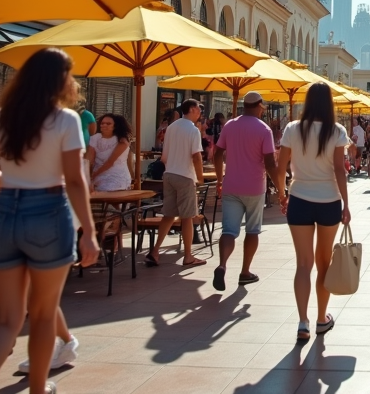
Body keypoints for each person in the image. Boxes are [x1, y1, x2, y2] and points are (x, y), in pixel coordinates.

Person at [0, 48, 98, 394]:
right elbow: (74, 180)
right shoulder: (66, 120)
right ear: (60, 80)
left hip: (7, 212)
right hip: (49, 212)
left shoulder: (5, 117)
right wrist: (89, 231)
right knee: (42, 314)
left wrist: (10, 184)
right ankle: (38, 389)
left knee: (6, 319)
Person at [276, 82, 351, 341]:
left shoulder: (293, 129)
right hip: (329, 200)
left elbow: (280, 165)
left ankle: (302, 322)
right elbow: (340, 170)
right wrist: (347, 204)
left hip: (299, 199)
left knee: (303, 264)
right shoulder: (337, 131)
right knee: (324, 264)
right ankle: (322, 318)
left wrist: (281, 193)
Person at [212, 92, 282, 291]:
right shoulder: (264, 129)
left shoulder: (230, 125)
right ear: (259, 106)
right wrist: (280, 189)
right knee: (252, 230)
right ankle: (245, 272)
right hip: (254, 187)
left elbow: (217, 153)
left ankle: (222, 265)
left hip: (231, 185)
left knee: (229, 231)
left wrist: (219, 178)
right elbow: (269, 162)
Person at [146, 99, 206, 268]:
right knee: (187, 217)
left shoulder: (171, 127)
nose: (200, 113)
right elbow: (196, 156)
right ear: (193, 109)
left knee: (169, 215)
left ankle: (155, 250)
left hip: (169, 174)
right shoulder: (193, 130)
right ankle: (188, 256)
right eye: (199, 110)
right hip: (185, 175)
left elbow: (164, 157)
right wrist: (199, 177)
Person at [85, 114, 132, 192]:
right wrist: (88, 176)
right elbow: (90, 160)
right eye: (102, 123)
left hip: (117, 176)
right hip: (97, 175)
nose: (104, 125)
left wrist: (93, 175)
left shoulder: (122, 141)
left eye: (108, 123)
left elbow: (110, 162)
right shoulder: (95, 138)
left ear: (115, 126)